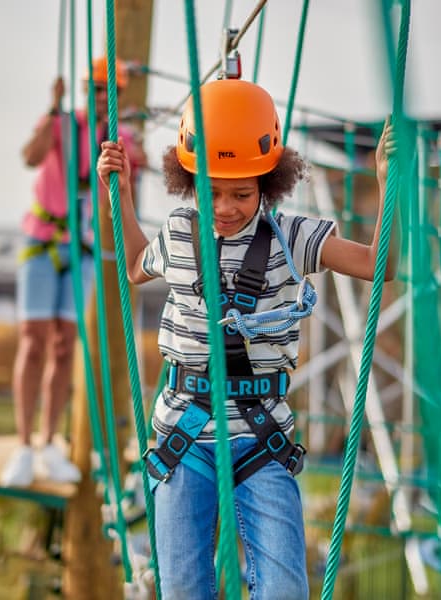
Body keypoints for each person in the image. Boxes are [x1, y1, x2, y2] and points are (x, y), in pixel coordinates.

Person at [97, 76, 397, 599]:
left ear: (269, 182)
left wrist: (389, 184)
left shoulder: (293, 237)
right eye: (213, 192)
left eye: (242, 192)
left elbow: (381, 265)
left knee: (285, 589)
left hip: (259, 437)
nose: (228, 206)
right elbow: (132, 265)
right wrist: (118, 193)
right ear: (191, 184)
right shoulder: (179, 234)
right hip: (182, 435)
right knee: (183, 589)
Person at [0, 57, 145, 488]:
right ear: (88, 92)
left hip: (80, 248)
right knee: (33, 340)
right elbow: (30, 157)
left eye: (109, 91)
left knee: (65, 347)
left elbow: (138, 169)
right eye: (97, 90)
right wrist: (51, 108)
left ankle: (48, 442)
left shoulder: (116, 137)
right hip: (43, 241)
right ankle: (24, 444)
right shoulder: (64, 125)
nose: (102, 98)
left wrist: (135, 144)